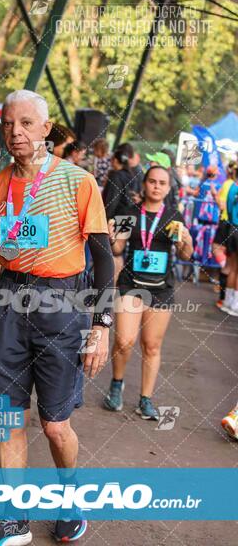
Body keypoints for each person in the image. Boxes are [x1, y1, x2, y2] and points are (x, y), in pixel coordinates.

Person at [0, 89, 114, 545]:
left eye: (25, 124)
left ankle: (70, 499)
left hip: (61, 303)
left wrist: (101, 326)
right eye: (7, 124)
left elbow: (102, 259)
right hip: (6, 301)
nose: (15, 132)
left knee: (55, 424)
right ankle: (13, 521)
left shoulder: (78, 182)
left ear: (45, 129)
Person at [104, 165, 193, 420]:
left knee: (152, 346)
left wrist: (185, 240)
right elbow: (118, 249)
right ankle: (116, 386)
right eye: (152, 181)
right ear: (144, 184)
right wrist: (112, 236)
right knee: (124, 340)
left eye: (162, 183)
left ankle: (145, 399)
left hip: (161, 289)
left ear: (168, 188)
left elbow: (187, 255)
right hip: (131, 284)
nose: (156, 186)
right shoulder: (128, 212)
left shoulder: (175, 217)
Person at [213, 162, 235, 308]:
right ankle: (226, 299)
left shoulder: (228, 184)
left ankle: (224, 298)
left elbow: (221, 204)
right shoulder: (231, 185)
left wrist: (214, 194)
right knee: (231, 264)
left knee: (227, 263)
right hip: (230, 224)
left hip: (227, 222)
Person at [222, 164, 238, 315]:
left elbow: (227, 207)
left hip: (232, 227)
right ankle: (235, 305)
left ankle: (228, 301)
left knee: (233, 267)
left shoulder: (232, 187)